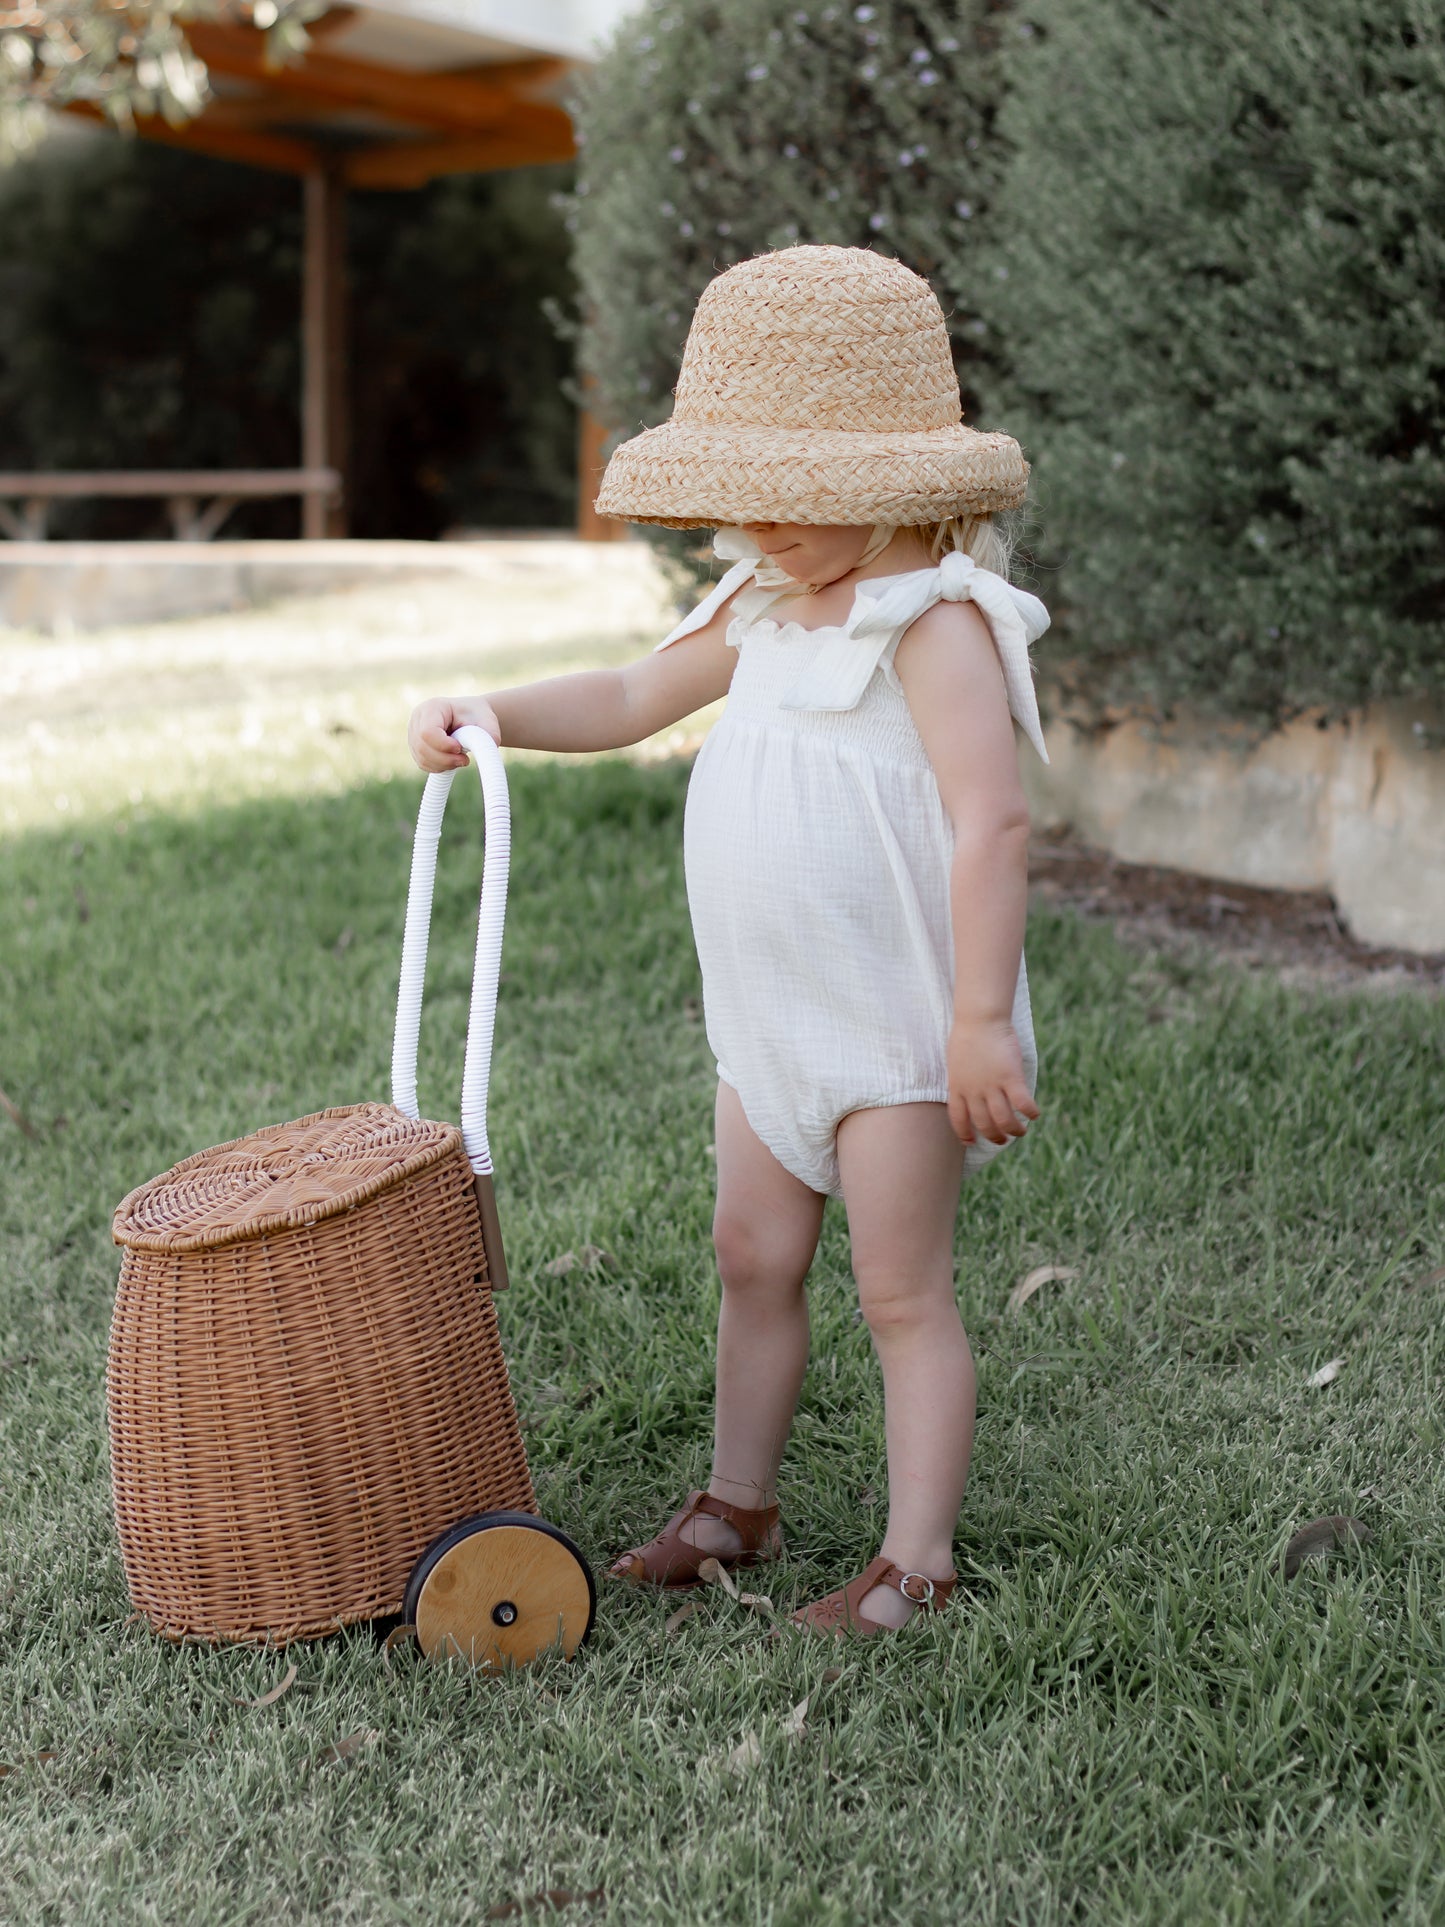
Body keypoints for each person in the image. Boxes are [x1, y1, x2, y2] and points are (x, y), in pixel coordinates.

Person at [408, 245, 1050, 1637]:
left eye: (800, 500)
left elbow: (990, 824)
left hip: (894, 1028)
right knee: (750, 1256)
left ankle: (916, 1562)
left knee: (897, 1288)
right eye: (746, 499)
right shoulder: (755, 601)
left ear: (897, 485)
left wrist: (981, 1020)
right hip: (768, 1024)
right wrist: (495, 710)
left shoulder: (931, 625)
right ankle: (735, 1502)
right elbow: (634, 691)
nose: (765, 527)